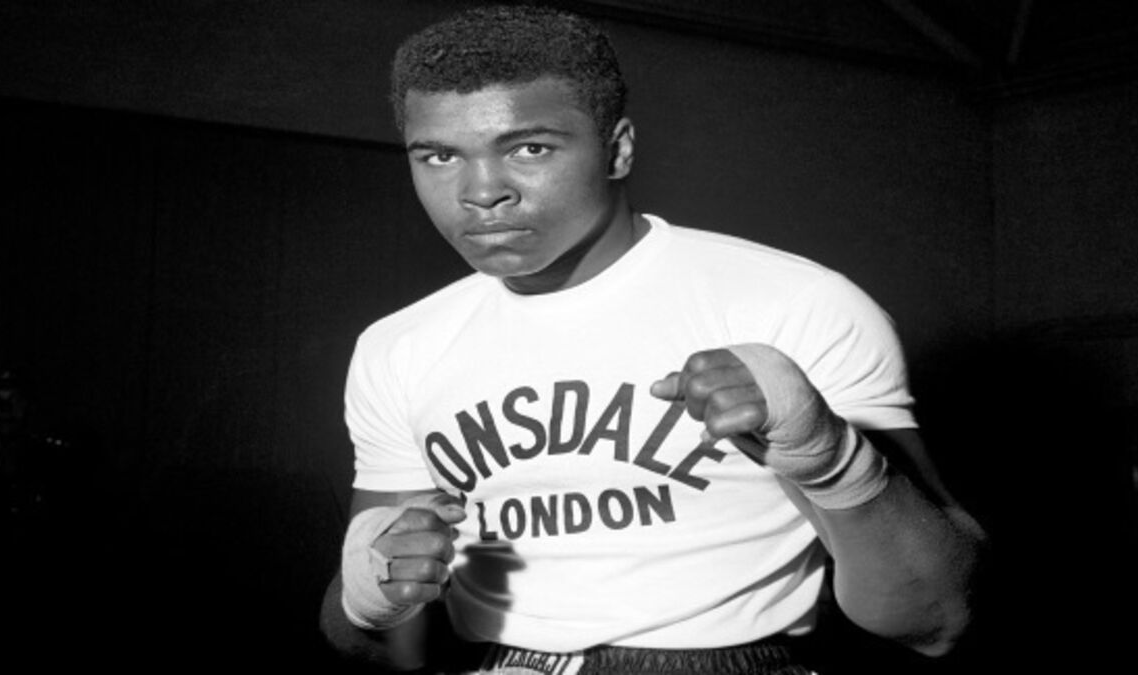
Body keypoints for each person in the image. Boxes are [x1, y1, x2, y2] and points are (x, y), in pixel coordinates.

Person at [320, 5, 986, 673]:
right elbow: (379, 645)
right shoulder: (398, 346)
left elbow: (938, 617)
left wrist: (833, 458)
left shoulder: (795, 305)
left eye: (529, 148)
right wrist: (367, 601)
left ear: (618, 149)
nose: (482, 192)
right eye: (439, 156)